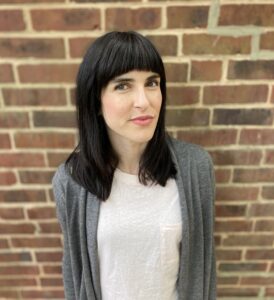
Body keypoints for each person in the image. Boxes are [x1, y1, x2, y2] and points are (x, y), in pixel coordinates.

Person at [52, 30, 216, 300]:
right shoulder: (71, 181)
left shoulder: (195, 167)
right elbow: (74, 270)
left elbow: (204, 263)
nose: (145, 101)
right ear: (96, 101)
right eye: (123, 85)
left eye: (152, 83)